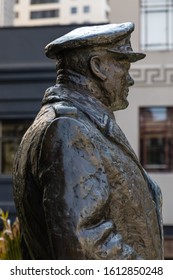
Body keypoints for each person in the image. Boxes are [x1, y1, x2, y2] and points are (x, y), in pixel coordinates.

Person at [13, 22, 163, 260]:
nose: (130, 79)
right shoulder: (68, 129)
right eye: (123, 66)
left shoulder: (83, 125)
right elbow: (85, 242)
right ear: (98, 67)